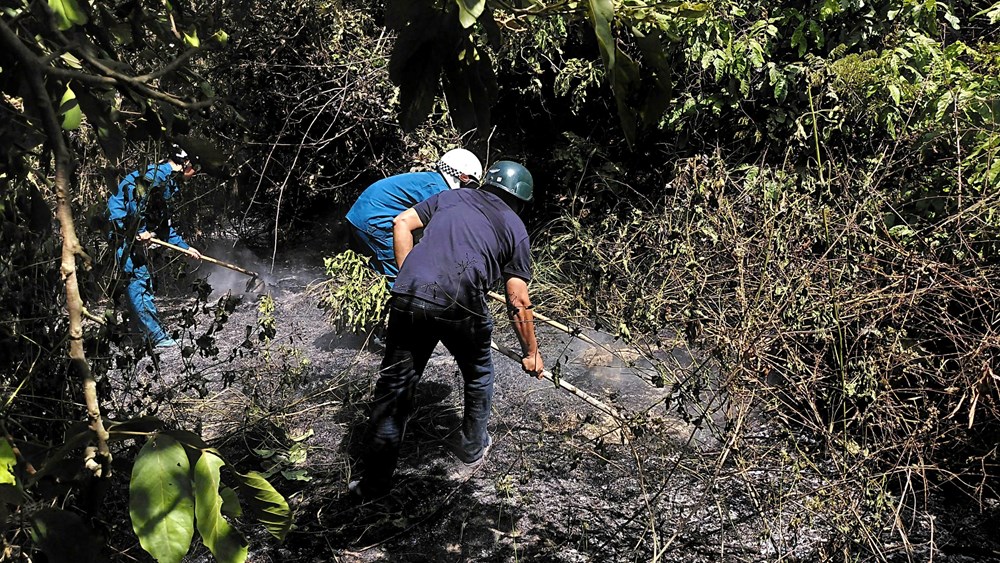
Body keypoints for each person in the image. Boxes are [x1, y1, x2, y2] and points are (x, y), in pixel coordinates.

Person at [349, 160, 544, 498]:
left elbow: (401, 222)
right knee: (479, 372)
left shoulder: (450, 198)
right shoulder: (515, 227)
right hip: (462, 305)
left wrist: (407, 275)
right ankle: (472, 449)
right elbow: (517, 299)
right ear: (520, 199)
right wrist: (531, 353)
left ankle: (373, 484)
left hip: (409, 296)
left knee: (395, 386)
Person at [107, 145, 202, 348]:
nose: (195, 175)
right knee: (138, 280)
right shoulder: (156, 177)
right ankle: (156, 337)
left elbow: (163, 225)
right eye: (196, 169)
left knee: (142, 281)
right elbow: (135, 197)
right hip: (123, 233)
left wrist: (185, 247)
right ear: (187, 165)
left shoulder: (168, 182)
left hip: (133, 233)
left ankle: (143, 335)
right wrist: (140, 230)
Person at [345, 148, 483, 286]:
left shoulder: (431, 180)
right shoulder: (440, 192)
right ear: (463, 177)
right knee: (401, 282)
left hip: (360, 214)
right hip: (376, 221)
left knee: (365, 272)